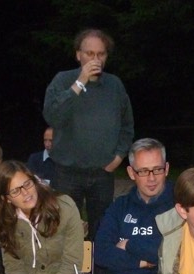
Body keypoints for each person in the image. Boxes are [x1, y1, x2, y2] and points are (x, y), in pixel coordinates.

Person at [43, 28, 134, 239]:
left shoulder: (114, 85)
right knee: (65, 230)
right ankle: (71, 263)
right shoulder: (63, 80)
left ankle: (97, 262)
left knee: (102, 230)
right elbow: (52, 116)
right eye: (89, 53)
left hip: (102, 173)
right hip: (66, 172)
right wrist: (79, 82)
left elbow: (127, 125)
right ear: (78, 55)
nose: (95, 59)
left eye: (101, 54)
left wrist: (119, 156)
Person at [94, 138, 174, 274]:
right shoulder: (120, 206)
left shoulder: (179, 206)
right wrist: (141, 262)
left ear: (167, 169)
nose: (151, 178)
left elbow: (173, 254)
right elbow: (101, 253)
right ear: (131, 173)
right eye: (143, 171)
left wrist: (128, 244)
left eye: (157, 169)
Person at [0, 160, 84, 274]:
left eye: (27, 184)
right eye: (15, 191)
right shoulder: (6, 221)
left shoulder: (65, 208)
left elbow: (71, 262)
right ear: (6, 199)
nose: (25, 193)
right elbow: (14, 268)